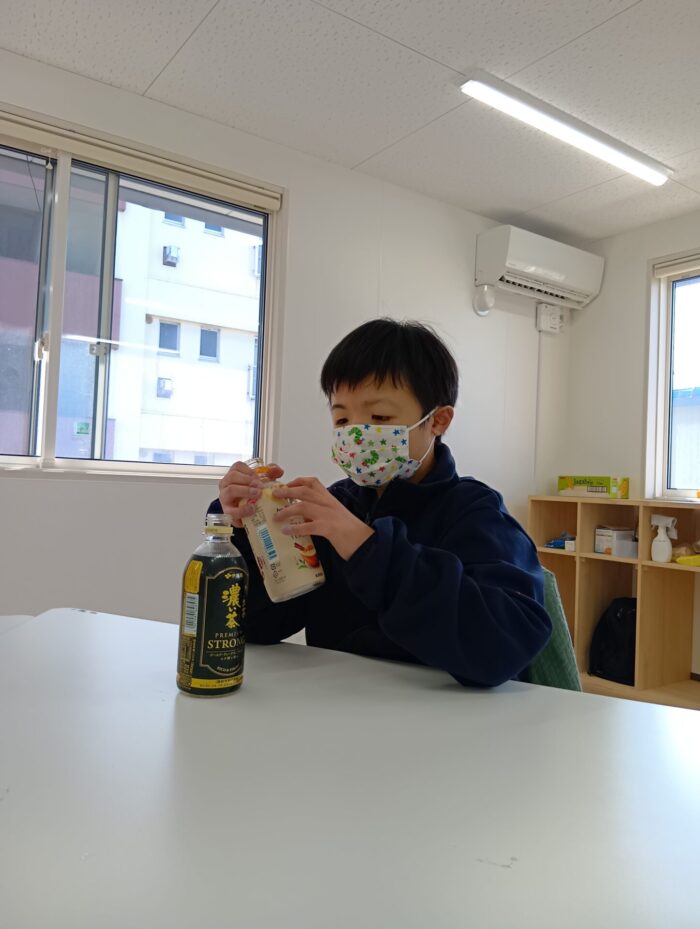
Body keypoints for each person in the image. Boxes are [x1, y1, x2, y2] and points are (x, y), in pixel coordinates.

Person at [211, 318, 551, 687]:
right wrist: (245, 531)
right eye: (342, 418)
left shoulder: (476, 512)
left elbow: (504, 646)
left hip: (447, 716)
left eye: (379, 417)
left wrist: (367, 549)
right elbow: (259, 625)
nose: (356, 434)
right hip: (340, 705)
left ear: (438, 421)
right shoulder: (337, 505)